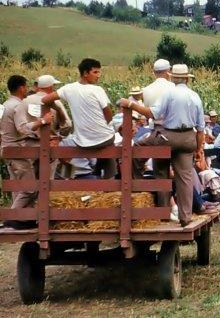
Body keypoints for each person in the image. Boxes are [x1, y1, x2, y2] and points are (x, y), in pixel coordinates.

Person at [120, 64, 205, 227]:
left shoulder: (169, 93)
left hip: (168, 137)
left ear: (172, 77)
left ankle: (161, 209)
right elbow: (200, 129)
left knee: (150, 158)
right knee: (185, 178)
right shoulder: (195, 96)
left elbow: (153, 113)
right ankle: (185, 217)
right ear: (187, 78)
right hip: (188, 138)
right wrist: (198, 149)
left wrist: (130, 105)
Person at [42, 58, 117, 179]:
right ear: (85, 73)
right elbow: (108, 114)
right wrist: (105, 126)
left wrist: (58, 108)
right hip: (105, 138)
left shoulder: (68, 88)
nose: (99, 76)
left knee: (61, 147)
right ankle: (107, 178)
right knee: (109, 146)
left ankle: (68, 178)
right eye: (95, 72)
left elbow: (45, 100)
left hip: (82, 141)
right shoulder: (97, 90)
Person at [1, 75, 53, 228]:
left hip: (7, 149)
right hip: (17, 151)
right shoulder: (18, 106)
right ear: (22, 87)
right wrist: (43, 121)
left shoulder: (4, 105)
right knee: (30, 187)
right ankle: (12, 218)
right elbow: (22, 128)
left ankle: (23, 218)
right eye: (26, 87)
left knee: (18, 186)